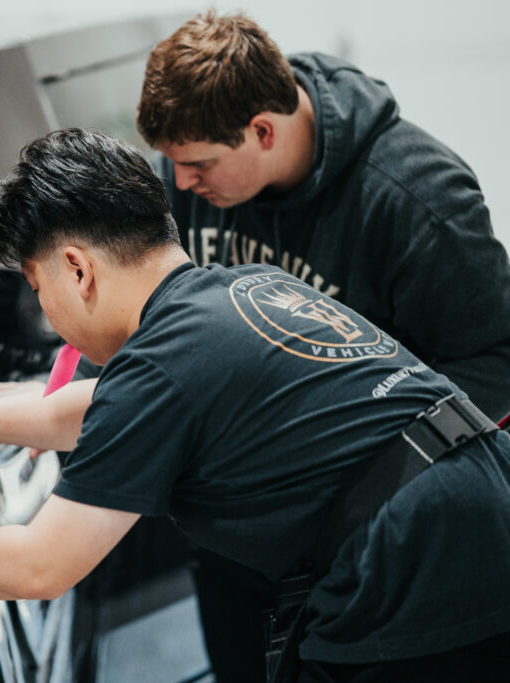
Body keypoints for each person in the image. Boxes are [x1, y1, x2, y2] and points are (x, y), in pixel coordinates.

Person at [0, 128, 510, 682]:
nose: (51, 317)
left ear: (77, 268)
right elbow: (101, 409)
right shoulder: (242, 288)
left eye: (40, 289)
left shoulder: (161, 366)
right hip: (482, 491)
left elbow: (41, 565)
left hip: (418, 560)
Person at [136, 12, 510, 678]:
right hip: (236, 533)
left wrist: (367, 481)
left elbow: (496, 358)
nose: (182, 184)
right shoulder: (191, 178)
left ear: (263, 130)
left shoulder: (417, 197)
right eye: (174, 164)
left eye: (197, 165)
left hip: (367, 542)